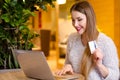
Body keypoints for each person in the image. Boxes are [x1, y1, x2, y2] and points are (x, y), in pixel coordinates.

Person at [55, 1, 119, 80]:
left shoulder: (106, 43)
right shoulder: (72, 39)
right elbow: (68, 63)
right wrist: (67, 66)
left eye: (79, 19)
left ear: (89, 18)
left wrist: (99, 65)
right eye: (73, 20)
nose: (75, 24)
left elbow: (115, 76)